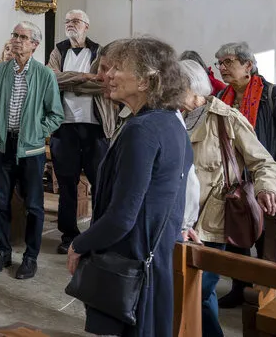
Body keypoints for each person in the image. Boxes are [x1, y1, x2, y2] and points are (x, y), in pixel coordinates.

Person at [66, 37, 192, 337]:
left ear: (148, 80)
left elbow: (122, 216)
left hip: (132, 262)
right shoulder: (170, 122)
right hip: (154, 254)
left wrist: (78, 244)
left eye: (118, 68)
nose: (105, 75)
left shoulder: (143, 130)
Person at [178, 59, 276, 337]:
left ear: (192, 88)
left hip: (212, 218)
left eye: (174, 85)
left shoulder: (226, 117)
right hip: (178, 218)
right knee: (186, 288)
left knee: (199, 289)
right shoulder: (172, 116)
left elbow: (263, 162)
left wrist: (267, 189)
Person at [213, 41, 276, 308]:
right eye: (220, 63)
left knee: (267, 242)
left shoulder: (272, 95)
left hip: (270, 182)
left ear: (248, 65)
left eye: (228, 62)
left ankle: (267, 291)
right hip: (235, 184)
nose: (222, 68)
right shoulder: (221, 99)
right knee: (236, 238)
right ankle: (241, 287)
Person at [0, 21, 63, 280]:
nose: (17, 40)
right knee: (1, 202)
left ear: (35, 45)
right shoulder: (1, 71)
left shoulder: (44, 74)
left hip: (31, 150)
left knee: (34, 206)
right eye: (14, 35)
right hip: (3, 145)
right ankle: (3, 252)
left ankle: (30, 257)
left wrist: (36, 132)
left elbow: (56, 114)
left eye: (23, 37)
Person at [46, 9, 106, 253]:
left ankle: (97, 233)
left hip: (95, 127)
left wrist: (73, 83)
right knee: (67, 184)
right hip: (64, 126)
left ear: (87, 26)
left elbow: (101, 82)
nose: (71, 25)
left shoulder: (100, 51)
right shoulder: (58, 50)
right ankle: (68, 235)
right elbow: (51, 78)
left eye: (76, 21)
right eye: (68, 21)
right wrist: (82, 77)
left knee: (99, 183)